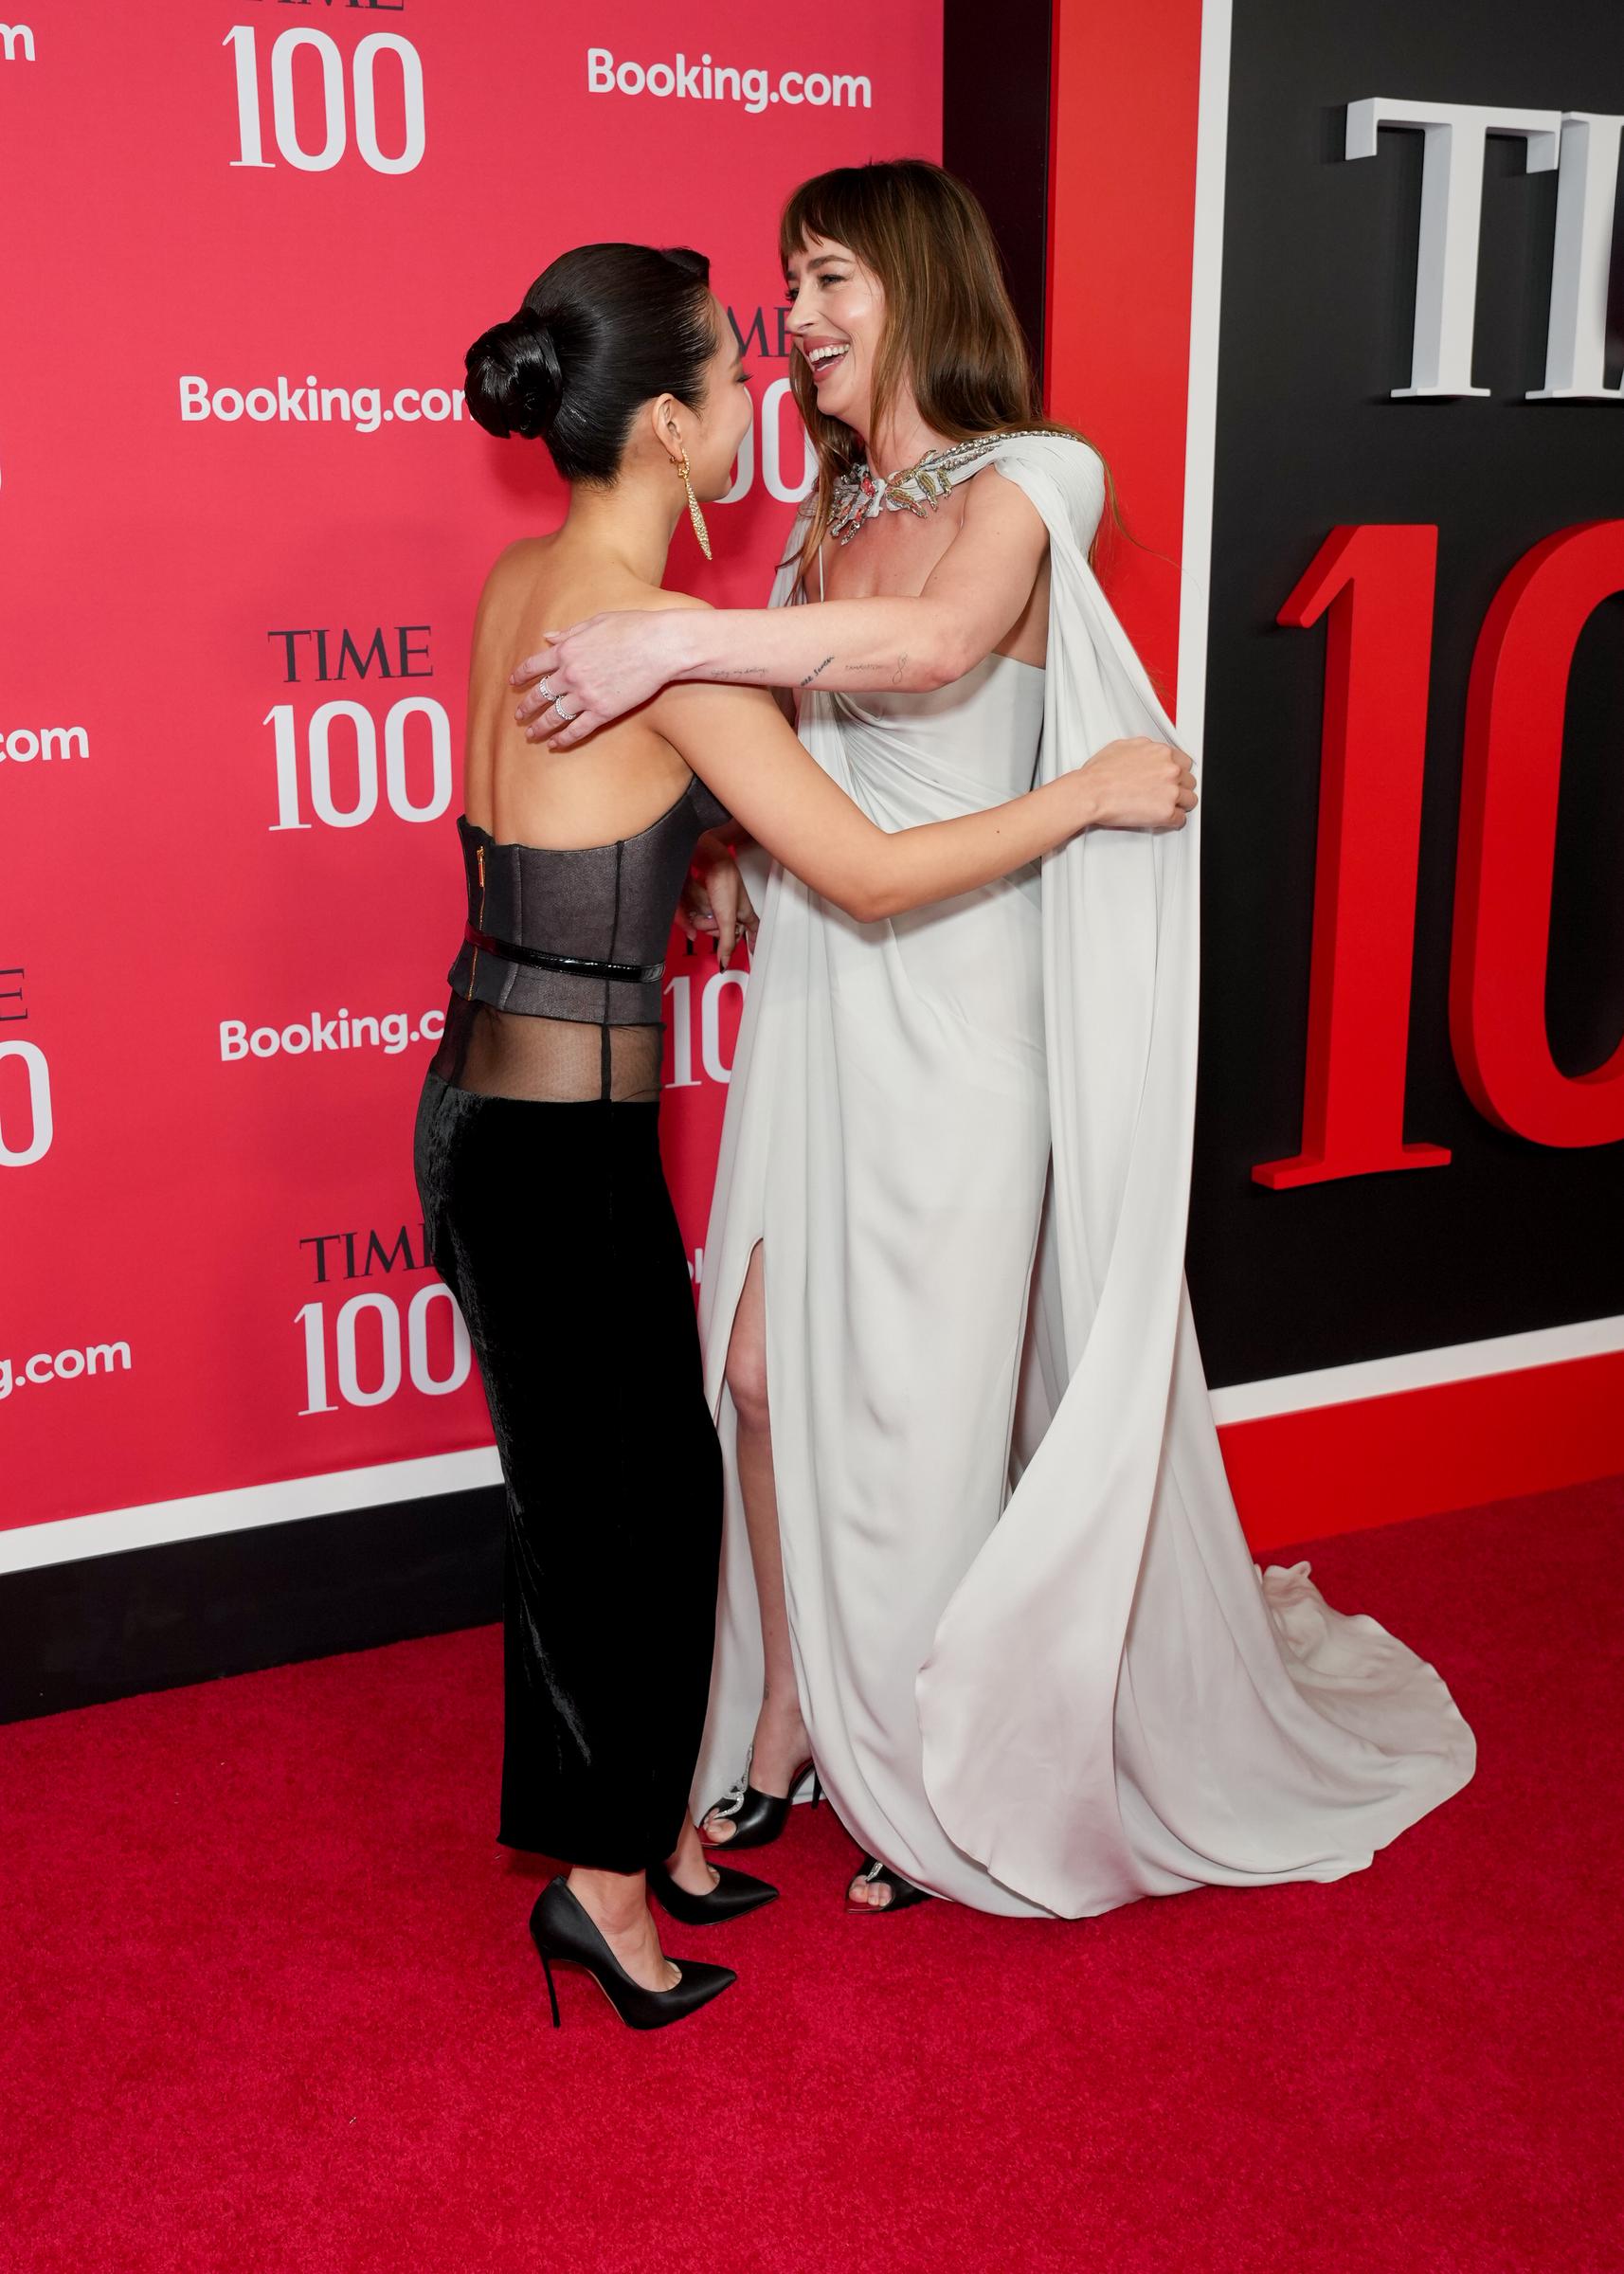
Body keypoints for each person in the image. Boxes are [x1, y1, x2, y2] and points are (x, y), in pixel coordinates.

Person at [509, 161, 1477, 1922]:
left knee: (930, 1408)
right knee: (759, 1377)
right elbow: (831, 761)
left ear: (915, 283)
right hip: (823, 988)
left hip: (963, 1014)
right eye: (785, 291)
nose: (792, 323)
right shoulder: (822, 512)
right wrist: (727, 855)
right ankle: (799, 1709)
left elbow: (945, 643)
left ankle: (933, 1768)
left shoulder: (1042, 469)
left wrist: (682, 633)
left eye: (825, 283)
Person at [413, 235, 1190, 2029]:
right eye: (734, 372)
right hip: (554, 1146)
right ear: (675, 428)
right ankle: (608, 1894)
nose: (764, 390)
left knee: (602, 1503)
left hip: (494, 1108)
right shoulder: (668, 653)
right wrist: (1084, 794)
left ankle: (654, 1840)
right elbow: (868, 866)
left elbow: (568, 834)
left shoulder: (526, 582)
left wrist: (702, 858)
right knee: (625, 1525)